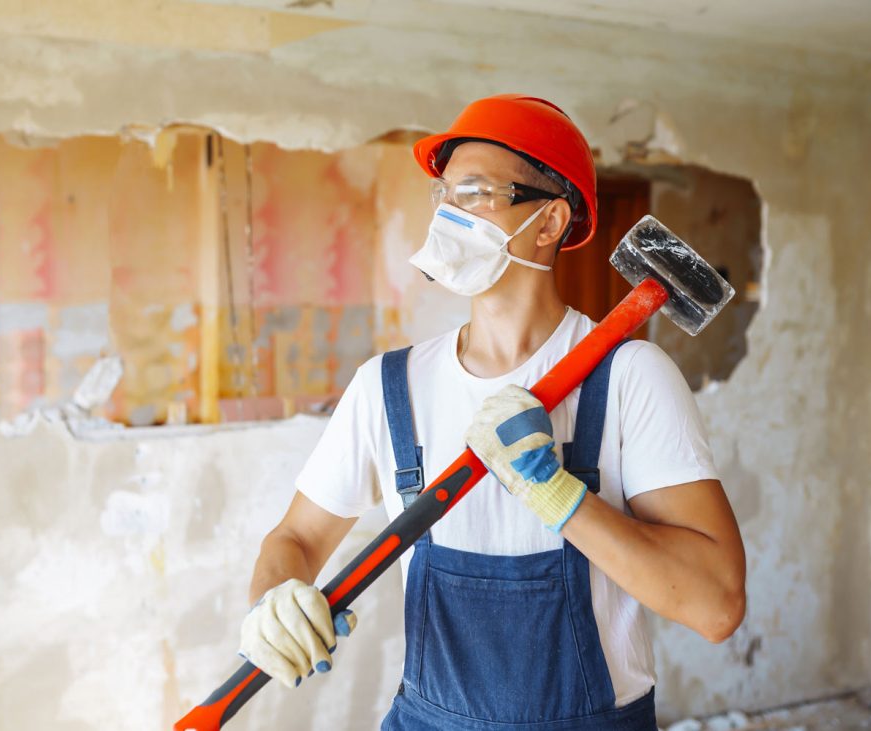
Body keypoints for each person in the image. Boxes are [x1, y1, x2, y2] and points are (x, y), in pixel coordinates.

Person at [238, 94, 746, 730]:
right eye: (445, 194)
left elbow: (716, 605)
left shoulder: (629, 381)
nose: (451, 212)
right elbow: (297, 539)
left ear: (549, 221)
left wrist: (557, 495)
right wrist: (273, 602)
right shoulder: (388, 388)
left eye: (475, 192)